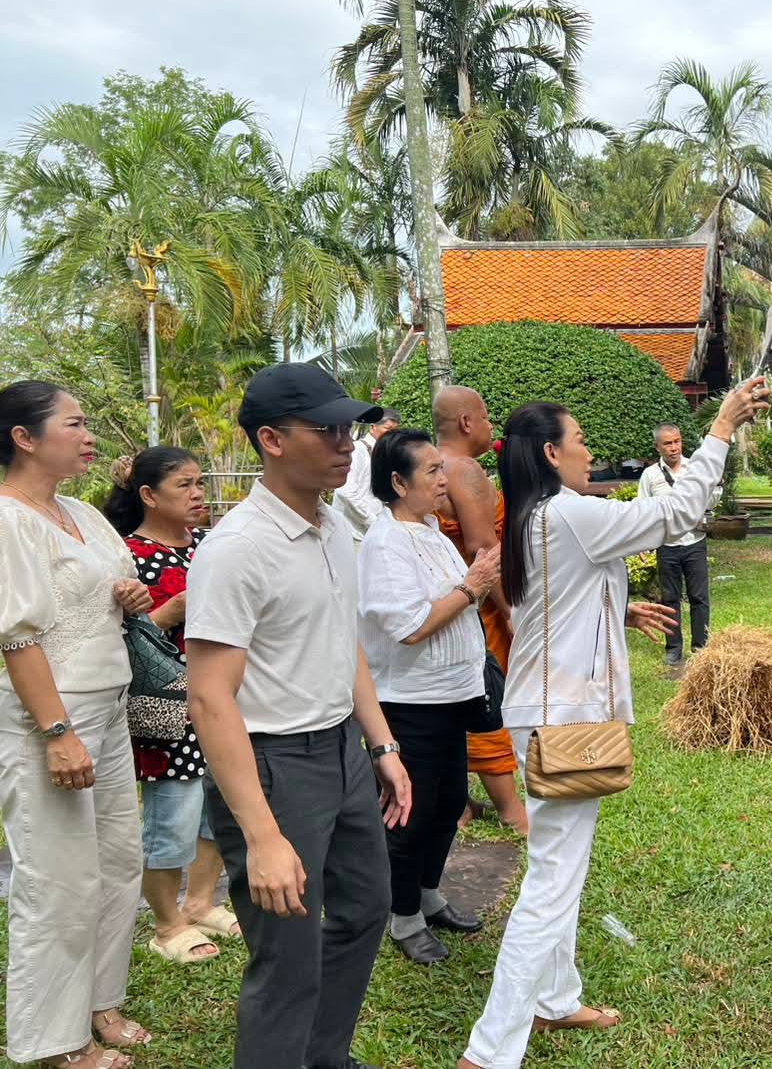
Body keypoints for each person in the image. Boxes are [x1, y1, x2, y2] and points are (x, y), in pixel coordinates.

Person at [458, 375, 770, 1069]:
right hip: (562, 718)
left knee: (559, 866)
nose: (589, 450)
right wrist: (721, 428)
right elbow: (678, 510)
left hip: (544, 713)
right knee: (551, 882)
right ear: (550, 453)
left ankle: (555, 998)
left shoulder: (534, 517)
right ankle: (489, 1050)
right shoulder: (569, 513)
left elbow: (543, 602)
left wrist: (616, 609)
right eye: (579, 440)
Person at [185, 363, 412, 1069]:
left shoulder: (333, 526)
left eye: (349, 429)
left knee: (366, 908)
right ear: (272, 440)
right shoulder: (237, 549)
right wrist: (261, 835)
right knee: (287, 955)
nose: (347, 444)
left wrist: (381, 746)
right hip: (274, 765)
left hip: (342, 750)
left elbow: (344, 645)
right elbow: (209, 697)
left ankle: (323, 1056)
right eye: (328, 430)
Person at [0, 380, 153, 1069]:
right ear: (24, 438)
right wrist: (57, 734)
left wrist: (130, 595)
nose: (89, 436)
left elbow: (111, 590)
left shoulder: (81, 513)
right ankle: (57, 1040)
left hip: (109, 704)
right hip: (49, 716)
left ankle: (101, 1000)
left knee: (117, 860)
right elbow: (17, 637)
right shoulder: (9, 520)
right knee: (57, 877)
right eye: (75, 423)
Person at [357, 428, 502, 964]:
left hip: (452, 694)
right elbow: (410, 627)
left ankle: (427, 893)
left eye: (443, 469)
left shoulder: (433, 532)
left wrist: (473, 585)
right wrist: (471, 586)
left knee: (446, 804)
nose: (445, 481)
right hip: (409, 701)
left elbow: (456, 602)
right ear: (398, 483)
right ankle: (402, 916)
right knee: (410, 814)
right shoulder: (385, 543)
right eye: (432, 472)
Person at [103, 447, 239, 966]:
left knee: (219, 806)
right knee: (173, 814)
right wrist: (171, 611)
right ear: (148, 495)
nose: (198, 494)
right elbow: (115, 638)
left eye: (199, 483)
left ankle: (200, 902)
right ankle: (166, 924)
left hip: (222, 695)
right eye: (185, 485)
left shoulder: (210, 544)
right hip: (167, 705)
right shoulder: (127, 555)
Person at [432, 385, 528, 837]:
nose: (491, 426)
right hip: (479, 607)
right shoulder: (464, 469)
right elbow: (481, 549)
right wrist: (509, 611)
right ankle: (511, 809)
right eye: (486, 417)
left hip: (445, 604)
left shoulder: (428, 466)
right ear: (467, 422)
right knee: (488, 695)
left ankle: (458, 801)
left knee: (450, 704)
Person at [637, 423, 712, 668]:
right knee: (670, 599)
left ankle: (701, 648)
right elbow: (643, 510)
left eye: (677, 441)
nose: (674, 447)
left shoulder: (694, 470)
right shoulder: (650, 475)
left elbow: (709, 500)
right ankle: (673, 649)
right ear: (657, 447)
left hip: (694, 542)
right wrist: (643, 544)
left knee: (699, 598)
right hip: (667, 545)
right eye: (668, 443)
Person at [332, 408, 402, 542]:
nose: (392, 435)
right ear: (373, 427)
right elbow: (346, 492)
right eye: (388, 429)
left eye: (395, 431)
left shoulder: (384, 453)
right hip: (353, 533)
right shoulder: (357, 450)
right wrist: (371, 521)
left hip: (372, 531)